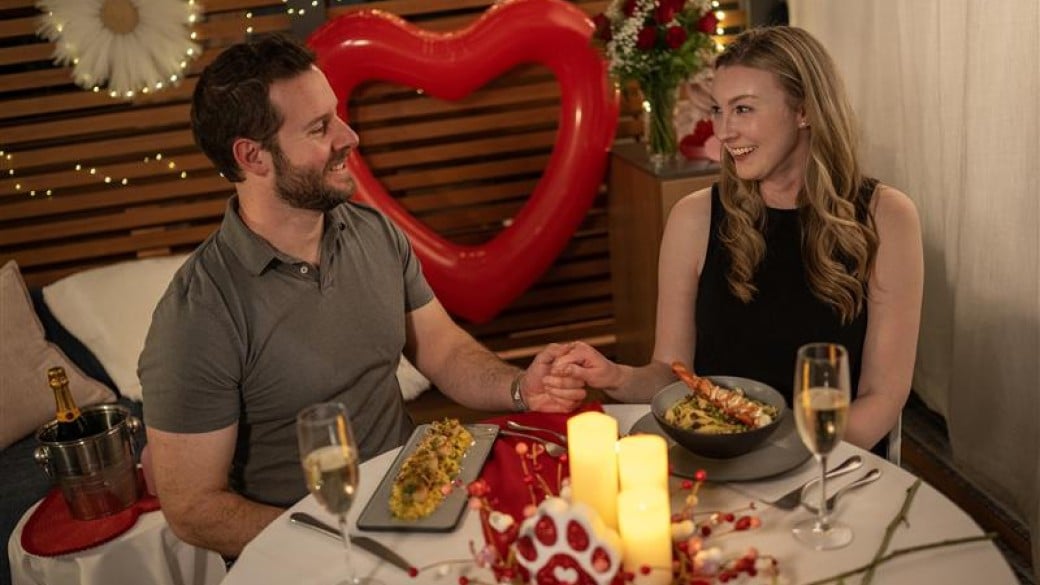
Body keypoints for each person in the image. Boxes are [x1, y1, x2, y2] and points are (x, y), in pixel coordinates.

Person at [138, 32, 586, 558]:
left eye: (338, 116)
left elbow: (442, 349)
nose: (349, 136)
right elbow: (193, 508)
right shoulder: (198, 312)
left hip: (423, 511)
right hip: (311, 555)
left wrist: (520, 388)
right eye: (319, 127)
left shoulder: (373, 231)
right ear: (253, 157)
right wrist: (339, 545)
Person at [552, 26, 923, 454]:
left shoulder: (887, 217)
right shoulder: (693, 218)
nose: (724, 131)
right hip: (722, 463)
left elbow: (883, 395)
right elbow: (673, 374)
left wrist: (790, 461)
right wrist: (616, 376)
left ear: (804, 110)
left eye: (743, 109)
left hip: (830, 465)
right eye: (718, 110)